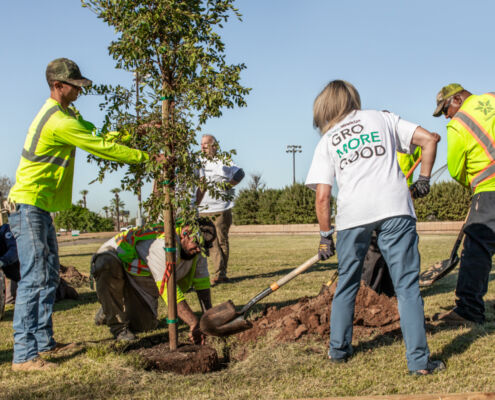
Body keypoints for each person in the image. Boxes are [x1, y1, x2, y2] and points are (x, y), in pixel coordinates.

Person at [8, 58, 152, 371]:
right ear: (57, 86)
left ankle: (44, 342)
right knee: (33, 279)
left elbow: (98, 135)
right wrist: (147, 158)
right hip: (28, 205)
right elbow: (100, 147)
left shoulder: (67, 114)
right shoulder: (58, 120)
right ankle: (23, 356)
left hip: (40, 207)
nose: (80, 91)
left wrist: (134, 132)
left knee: (47, 277)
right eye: (75, 87)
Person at [305, 80, 444, 375]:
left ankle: (338, 351)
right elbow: (429, 140)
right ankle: (419, 363)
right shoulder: (382, 118)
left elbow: (322, 197)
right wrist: (424, 179)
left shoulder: (328, 139)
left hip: (352, 216)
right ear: (353, 99)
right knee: (407, 287)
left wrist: (325, 237)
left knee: (347, 285)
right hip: (395, 208)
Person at [91, 219, 215, 343]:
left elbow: (202, 284)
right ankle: (116, 324)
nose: (199, 250)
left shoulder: (198, 251)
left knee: (145, 325)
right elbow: (169, 289)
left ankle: (110, 308)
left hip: (138, 280)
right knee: (106, 264)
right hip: (114, 257)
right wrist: (193, 322)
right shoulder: (165, 244)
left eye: (203, 247)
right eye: (197, 244)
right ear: (185, 233)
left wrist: (209, 317)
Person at [432, 83, 495, 325]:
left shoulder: (459, 123)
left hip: (489, 189)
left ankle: (468, 310)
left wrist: (473, 186)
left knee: (476, 249)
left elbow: (456, 169)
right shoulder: (491, 97)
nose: (446, 115)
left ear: (457, 99)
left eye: (446, 109)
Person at [198, 134, 245, 285]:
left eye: (206, 144)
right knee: (210, 241)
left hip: (221, 208)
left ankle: (221, 273)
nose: (203, 146)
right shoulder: (198, 161)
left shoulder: (223, 160)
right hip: (203, 208)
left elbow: (240, 173)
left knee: (221, 240)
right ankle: (220, 272)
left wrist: (227, 185)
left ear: (214, 146)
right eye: (201, 144)